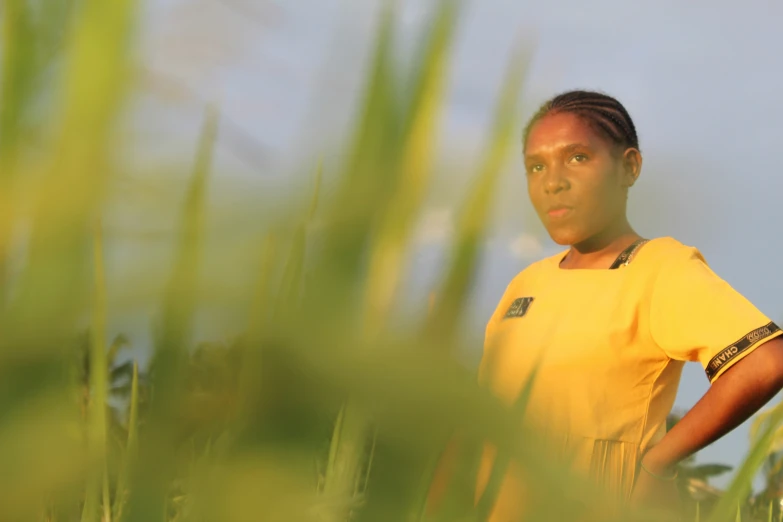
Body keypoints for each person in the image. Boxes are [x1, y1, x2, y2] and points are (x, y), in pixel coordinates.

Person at [472, 90, 783, 519]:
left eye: (577, 157)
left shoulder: (660, 268)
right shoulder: (526, 284)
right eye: (536, 166)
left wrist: (656, 464)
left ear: (629, 167)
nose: (552, 181)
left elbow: (765, 361)